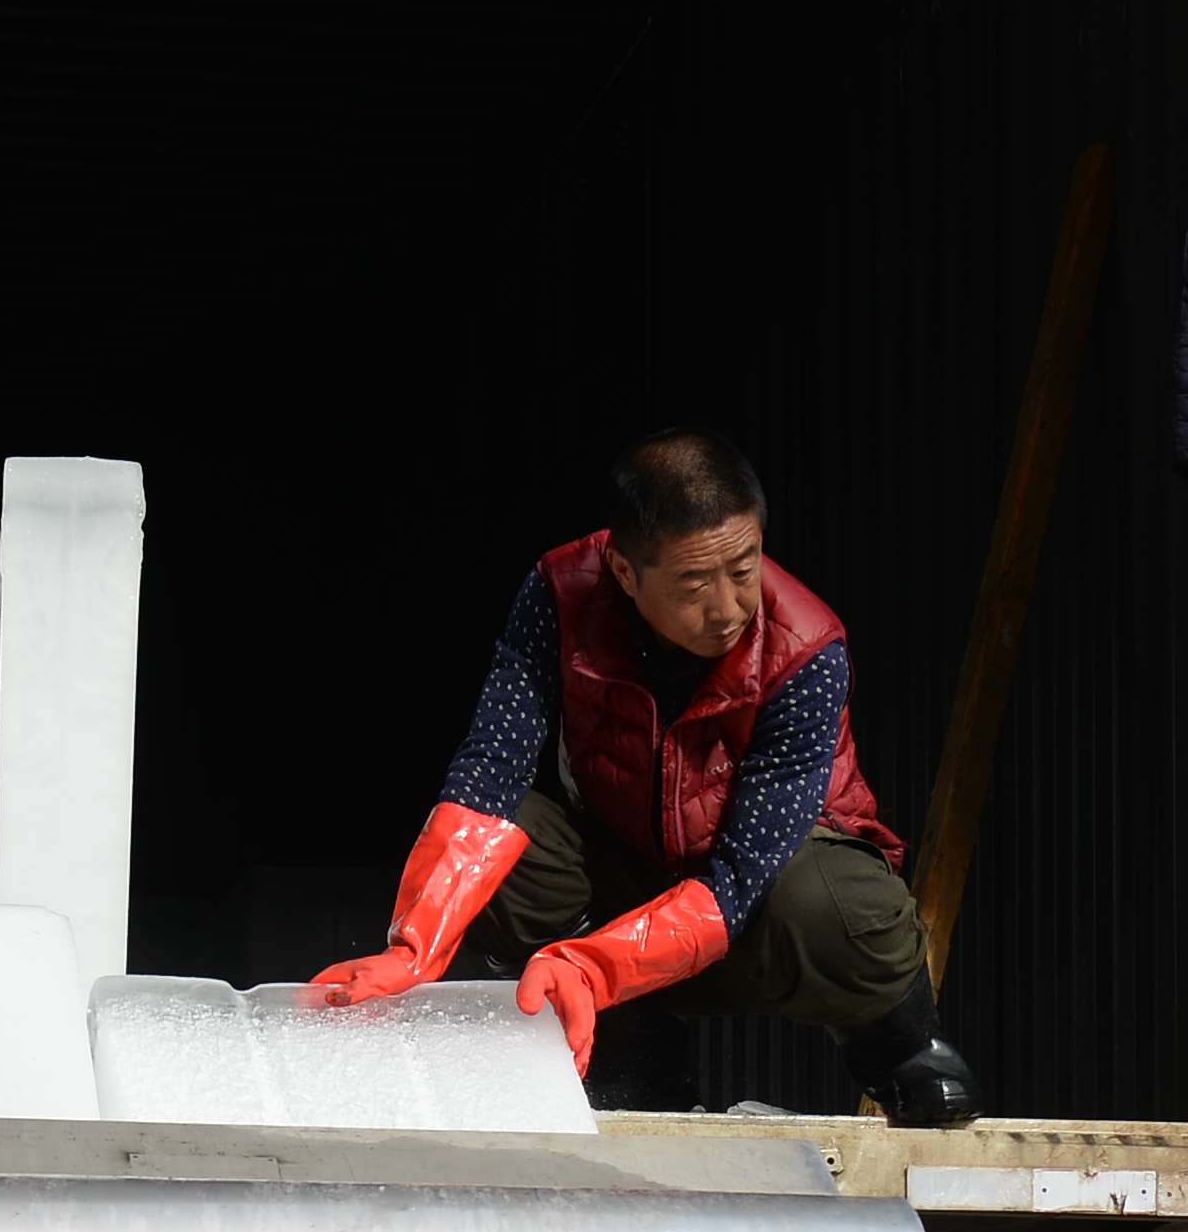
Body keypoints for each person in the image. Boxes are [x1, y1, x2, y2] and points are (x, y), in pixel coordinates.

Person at [310, 428, 978, 1125]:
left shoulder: (807, 649)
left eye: (744, 568)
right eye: (694, 583)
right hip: (627, 873)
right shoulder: (559, 595)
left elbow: (742, 878)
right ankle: (633, 1047)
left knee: (828, 907)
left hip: (760, 902)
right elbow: (491, 769)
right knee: (508, 851)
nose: (726, 607)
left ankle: (898, 1045)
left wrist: (594, 967)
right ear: (625, 573)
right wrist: (414, 948)